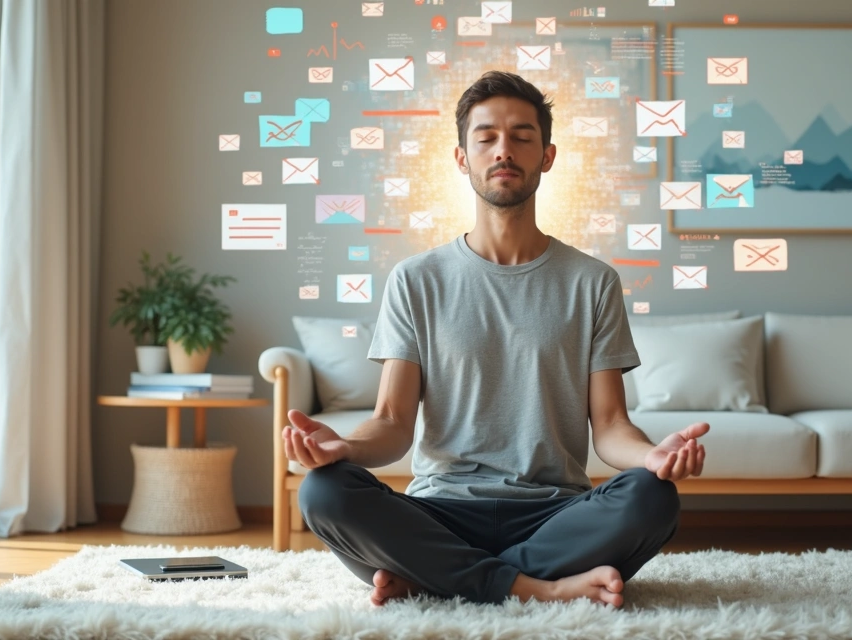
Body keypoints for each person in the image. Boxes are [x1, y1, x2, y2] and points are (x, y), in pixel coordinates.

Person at [281, 70, 709, 609]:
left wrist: (652, 457)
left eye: (521, 136)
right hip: (441, 509)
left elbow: (610, 426)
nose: (503, 150)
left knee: (652, 497)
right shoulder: (416, 280)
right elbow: (392, 425)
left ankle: (441, 577)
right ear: (463, 158)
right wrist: (347, 448)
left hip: (554, 513)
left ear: (547, 155)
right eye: (485, 137)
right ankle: (540, 587)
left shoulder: (593, 282)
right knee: (324, 490)